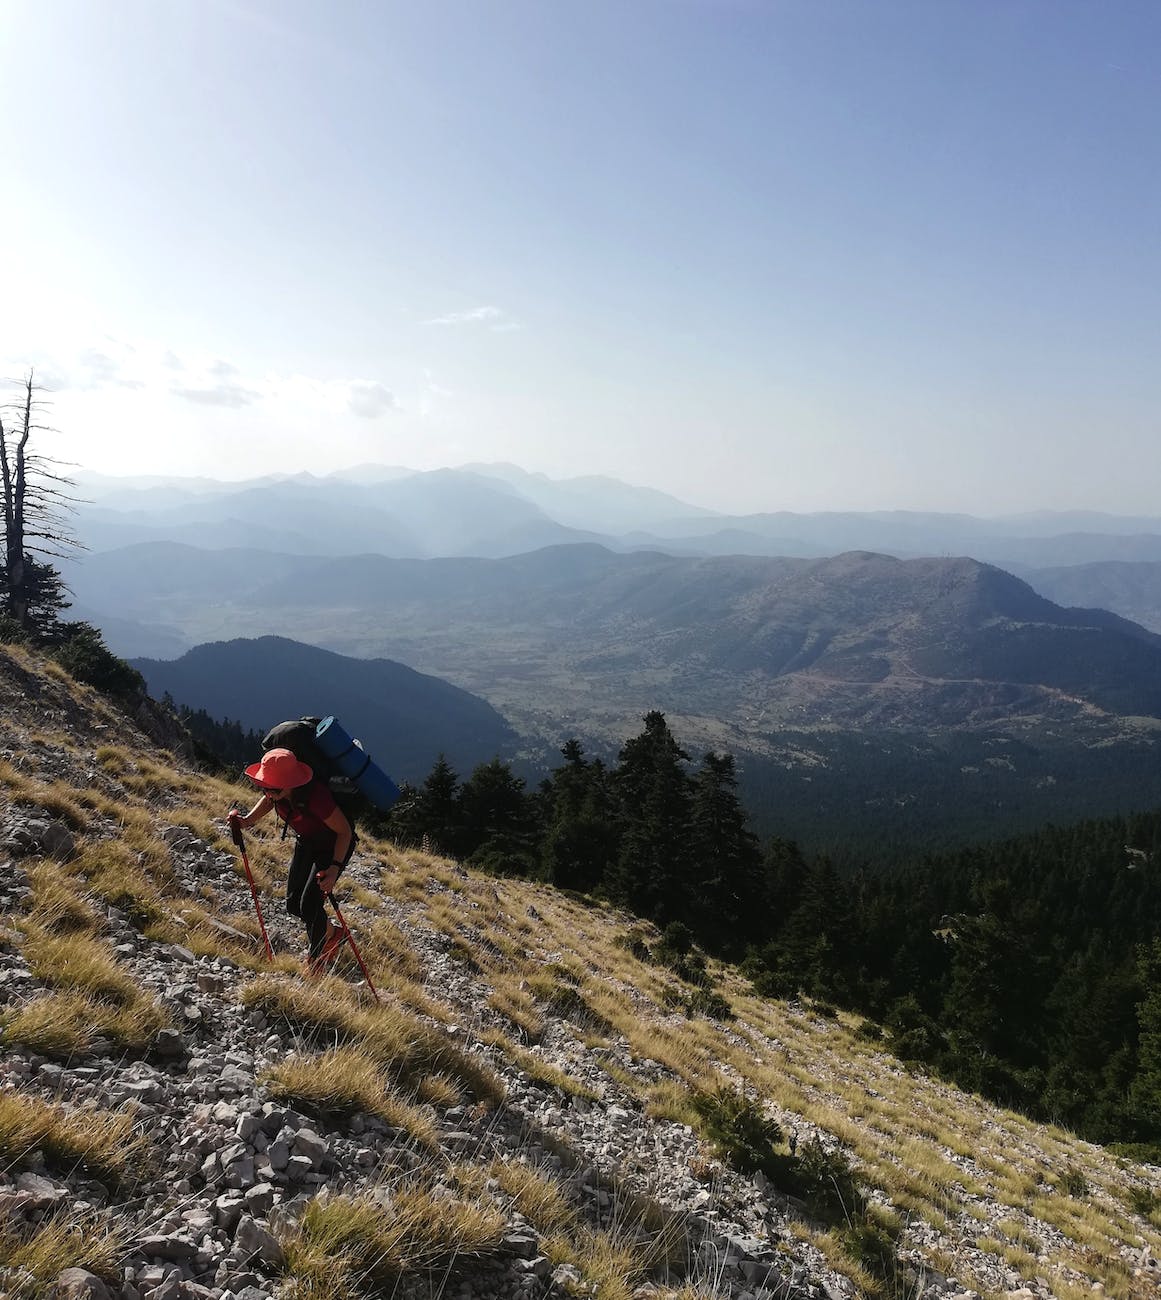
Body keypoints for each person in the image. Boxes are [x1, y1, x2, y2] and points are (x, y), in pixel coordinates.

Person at [227, 747, 356, 973]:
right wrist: (246, 822)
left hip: (331, 847)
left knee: (309, 905)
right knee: (293, 904)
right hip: (307, 842)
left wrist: (335, 869)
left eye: (273, 788)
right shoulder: (278, 793)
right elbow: (268, 801)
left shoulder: (317, 798)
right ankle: (333, 934)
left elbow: (345, 832)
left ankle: (316, 962)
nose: (268, 793)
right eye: (264, 787)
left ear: (291, 783)